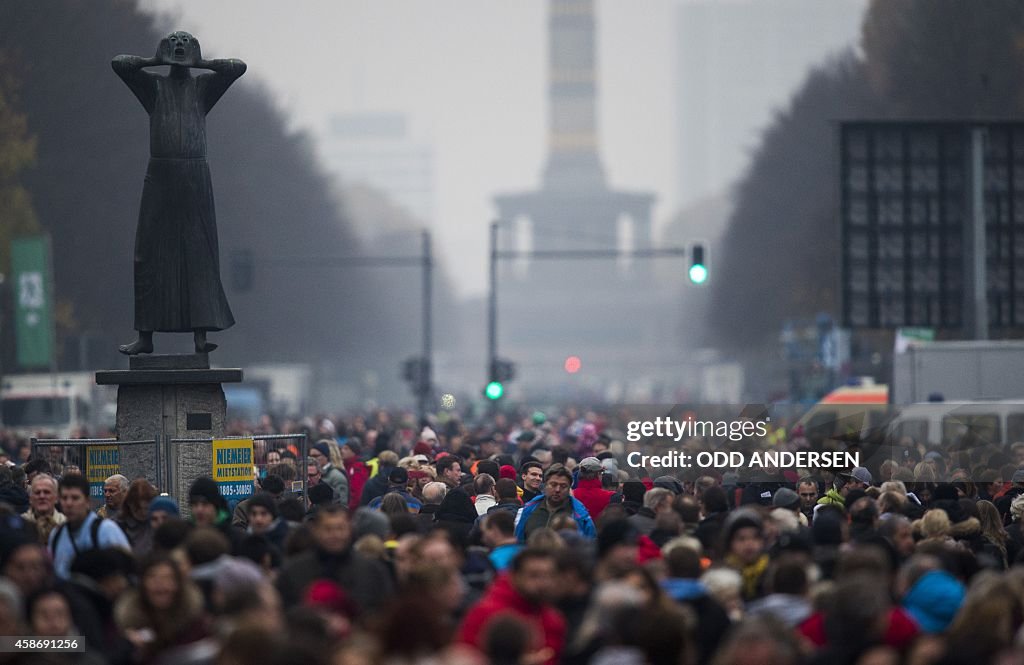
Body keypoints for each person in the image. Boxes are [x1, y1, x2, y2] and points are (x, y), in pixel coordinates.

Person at [112, 31, 245, 355]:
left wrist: (203, 63)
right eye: (174, 43)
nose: (180, 47)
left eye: (186, 42)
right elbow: (120, 65)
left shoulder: (203, 89)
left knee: (199, 255)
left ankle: (200, 336)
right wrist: (154, 59)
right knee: (147, 254)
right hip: (160, 174)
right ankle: (145, 337)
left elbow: (236, 67)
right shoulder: (154, 87)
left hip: (194, 175)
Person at [276, 505, 394, 613]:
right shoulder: (295, 571)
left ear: (349, 530)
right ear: (316, 531)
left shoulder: (371, 571)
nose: (335, 535)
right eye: (328, 529)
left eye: (340, 528)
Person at [458, 548, 566, 665]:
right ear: (515, 576)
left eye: (549, 575)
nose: (544, 583)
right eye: (534, 576)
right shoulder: (486, 614)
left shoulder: (553, 620)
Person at [48, 474, 130, 580]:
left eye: (75, 498)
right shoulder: (56, 535)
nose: (69, 503)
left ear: (87, 501)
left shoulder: (107, 531)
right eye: (64, 498)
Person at [515, 465, 596, 542]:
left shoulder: (580, 516)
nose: (557, 489)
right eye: (553, 485)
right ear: (545, 485)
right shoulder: (529, 510)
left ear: (569, 488)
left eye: (563, 486)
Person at [21, 473, 65, 546]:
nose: (42, 496)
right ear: (31, 498)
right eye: (37, 493)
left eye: (47, 492)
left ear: (56, 498)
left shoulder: (66, 525)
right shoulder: (20, 526)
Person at [311, 441, 349, 507]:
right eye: (310, 456)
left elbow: (342, 504)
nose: (312, 459)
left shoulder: (337, 476)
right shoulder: (309, 472)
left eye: (316, 456)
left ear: (326, 456)